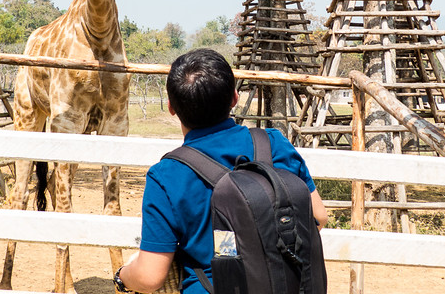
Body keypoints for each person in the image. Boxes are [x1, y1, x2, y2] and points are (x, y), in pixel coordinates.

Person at [114, 48, 328, 293]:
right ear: (234, 98)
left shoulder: (167, 175)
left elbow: (149, 277)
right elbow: (318, 217)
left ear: (172, 107)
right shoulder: (273, 143)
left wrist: (122, 277)